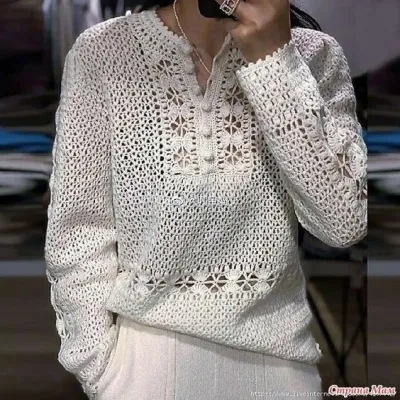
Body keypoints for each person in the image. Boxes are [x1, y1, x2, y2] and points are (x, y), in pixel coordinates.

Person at [44, 0, 368, 399]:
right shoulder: (104, 52)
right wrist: (100, 371)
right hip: (143, 367)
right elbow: (79, 232)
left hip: (280, 366)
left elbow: (343, 223)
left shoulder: (315, 55)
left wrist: (274, 61)